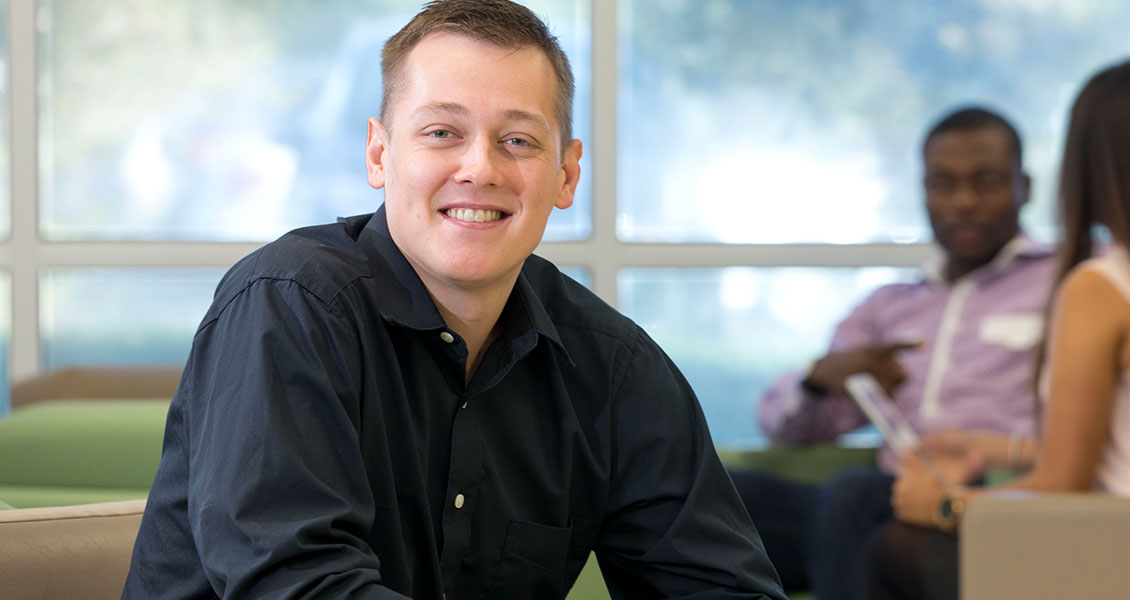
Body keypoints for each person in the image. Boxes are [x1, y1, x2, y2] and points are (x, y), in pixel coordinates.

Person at [122, 2, 784, 598]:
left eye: (517, 140)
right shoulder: (288, 305)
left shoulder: (613, 369)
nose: (480, 168)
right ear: (380, 154)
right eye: (442, 133)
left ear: (566, 173)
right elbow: (297, 584)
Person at [865, 57, 1130, 600]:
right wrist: (989, 446)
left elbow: (1062, 485)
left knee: (896, 545)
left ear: (1089, 165)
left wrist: (946, 506)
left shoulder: (1101, 288)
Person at [730, 107, 1058, 599]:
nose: (963, 202)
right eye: (942, 184)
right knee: (716, 498)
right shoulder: (889, 307)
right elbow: (782, 427)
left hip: (998, 493)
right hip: (891, 501)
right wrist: (819, 379)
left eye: (985, 182)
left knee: (851, 498)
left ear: (1025, 187)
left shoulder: (1065, 283)